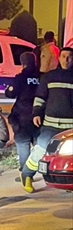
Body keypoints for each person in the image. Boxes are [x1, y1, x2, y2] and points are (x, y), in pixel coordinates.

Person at [25, 47, 73, 192]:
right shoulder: (49, 77)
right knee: (41, 150)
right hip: (51, 124)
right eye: (63, 56)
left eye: (69, 57)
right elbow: (40, 98)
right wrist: (36, 113)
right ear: (59, 58)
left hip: (70, 127)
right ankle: (27, 175)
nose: (66, 60)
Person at [6, 52, 41, 187]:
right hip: (39, 115)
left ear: (23, 63)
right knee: (39, 145)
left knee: (23, 143)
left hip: (23, 115)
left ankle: (26, 174)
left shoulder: (20, 78)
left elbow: (10, 93)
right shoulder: (42, 76)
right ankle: (40, 171)